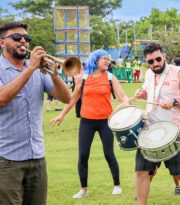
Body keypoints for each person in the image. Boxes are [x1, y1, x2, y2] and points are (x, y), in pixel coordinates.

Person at [0, 21, 71, 204]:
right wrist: (30, 68)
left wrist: (53, 72)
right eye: (16, 37)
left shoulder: (40, 71)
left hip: (37, 157)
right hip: (7, 160)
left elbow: (66, 98)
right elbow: (2, 98)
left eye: (26, 38)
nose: (23, 41)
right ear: (2, 42)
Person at [50, 49, 129, 199]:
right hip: (86, 121)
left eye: (108, 59)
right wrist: (62, 114)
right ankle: (84, 189)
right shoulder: (83, 78)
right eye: (104, 58)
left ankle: (117, 185)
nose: (107, 61)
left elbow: (123, 97)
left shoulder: (111, 77)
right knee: (83, 155)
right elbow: (73, 99)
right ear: (95, 60)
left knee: (108, 153)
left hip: (106, 121)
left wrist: (126, 104)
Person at [134, 43, 180, 205]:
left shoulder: (179, 73)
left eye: (158, 59)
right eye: (151, 61)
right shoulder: (149, 74)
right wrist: (142, 94)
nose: (155, 63)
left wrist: (175, 101)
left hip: (174, 132)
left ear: (164, 55)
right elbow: (149, 94)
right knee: (142, 172)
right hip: (149, 131)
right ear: (146, 62)